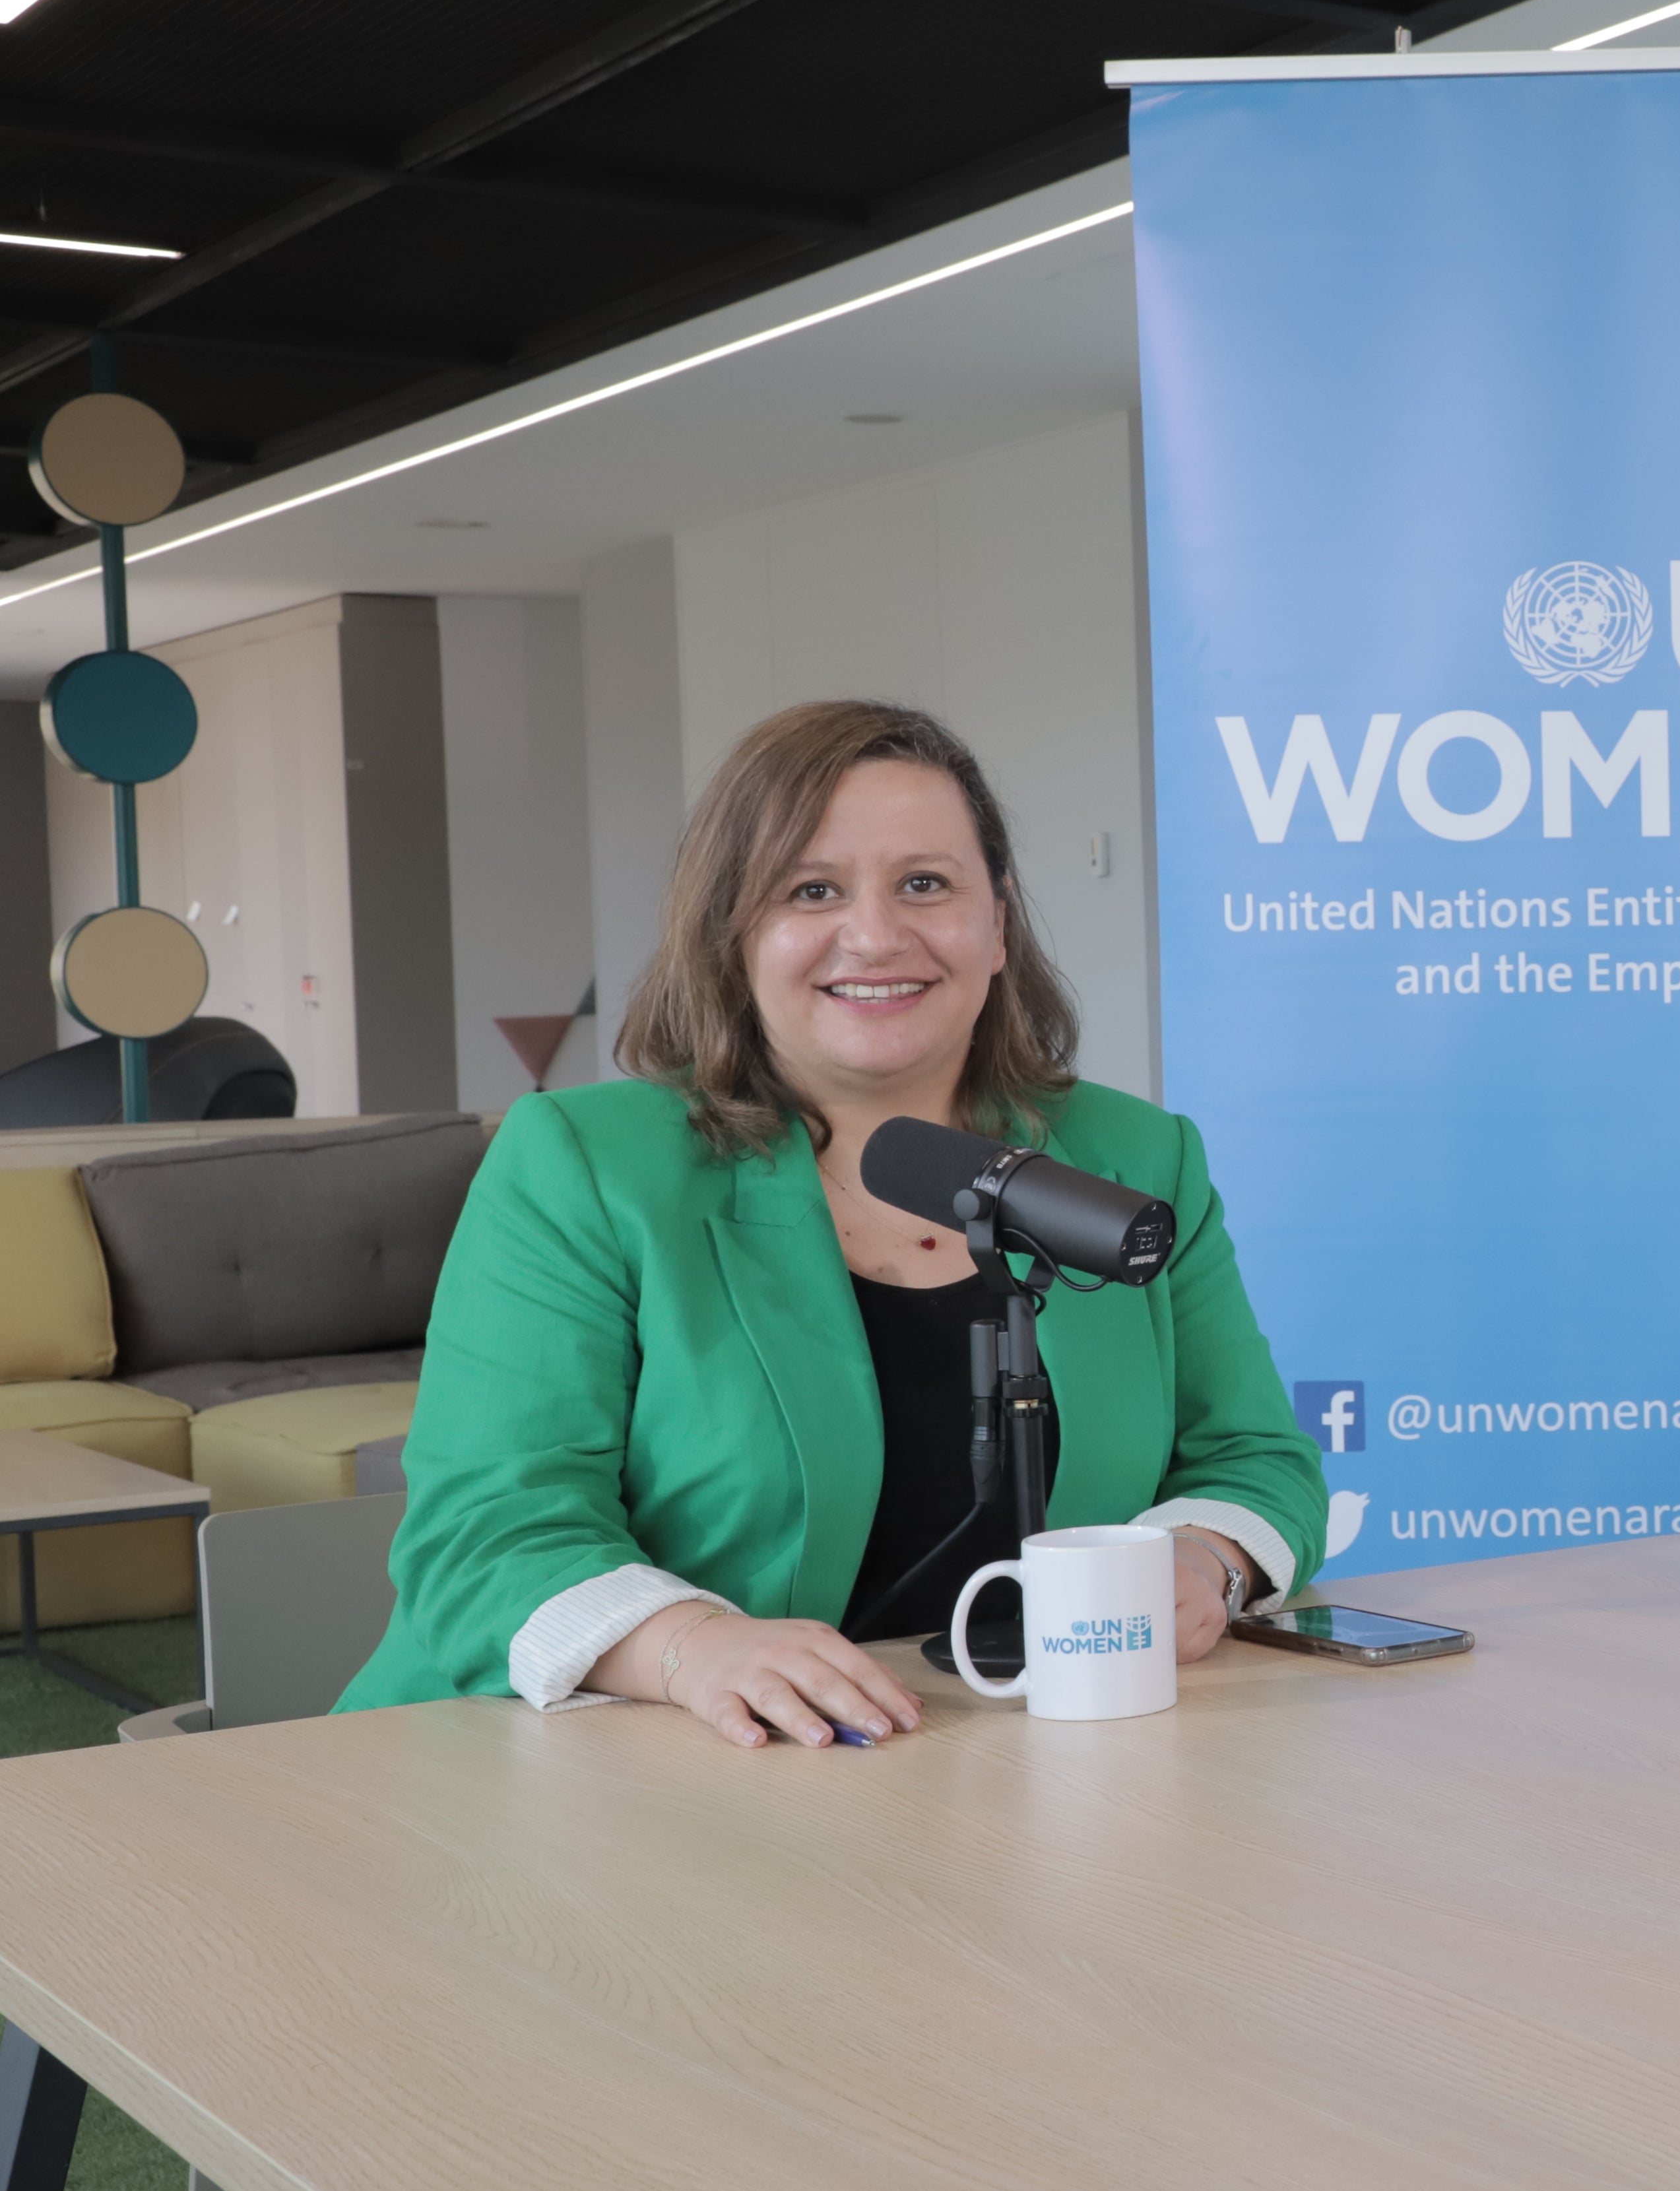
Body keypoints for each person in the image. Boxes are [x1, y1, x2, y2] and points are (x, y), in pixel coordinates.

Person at [340, 701, 1326, 1746]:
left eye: (926, 884)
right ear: (732, 936)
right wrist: (690, 1647)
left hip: (1014, 1767)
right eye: (812, 890)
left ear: (997, 925)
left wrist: (1202, 1560)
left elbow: (1254, 1457)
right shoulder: (581, 1164)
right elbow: (486, 1535)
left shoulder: (1135, 1154)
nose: (875, 935)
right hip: (604, 1775)